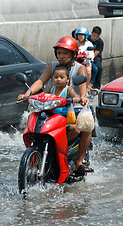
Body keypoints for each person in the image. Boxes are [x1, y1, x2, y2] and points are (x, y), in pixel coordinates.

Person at [17, 36, 92, 175]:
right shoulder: (52, 66)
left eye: (65, 53)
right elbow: (40, 82)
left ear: (73, 54)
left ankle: (79, 162)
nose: (61, 56)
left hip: (72, 110)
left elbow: (82, 89)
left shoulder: (80, 68)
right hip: (52, 109)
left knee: (84, 129)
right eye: (59, 53)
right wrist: (27, 94)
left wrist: (81, 98)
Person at [44, 64, 80, 142]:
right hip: (51, 117)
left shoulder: (68, 89)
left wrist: (74, 99)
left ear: (68, 79)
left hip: (65, 118)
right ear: (52, 78)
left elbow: (76, 97)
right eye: (56, 77)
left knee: (75, 129)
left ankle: (64, 141)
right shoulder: (51, 89)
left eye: (62, 77)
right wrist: (29, 97)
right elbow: (41, 96)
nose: (58, 80)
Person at [75, 27, 98, 92]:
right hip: (76, 62)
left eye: (82, 35)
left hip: (85, 62)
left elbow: (91, 56)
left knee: (88, 70)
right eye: (79, 35)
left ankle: (86, 87)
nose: (80, 37)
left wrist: (84, 56)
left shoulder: (89, 44)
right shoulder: (75, 43)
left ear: (86, 36)